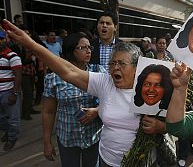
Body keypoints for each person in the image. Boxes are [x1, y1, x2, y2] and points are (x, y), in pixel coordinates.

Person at [4, 19, 165, 167]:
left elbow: (179, 122)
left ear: (137, 68)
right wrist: (30, 44)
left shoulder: (152, 88)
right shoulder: (105, 82)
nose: (115, 68)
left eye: (122, 63)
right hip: (106, 160)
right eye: (112, 63)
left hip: (141, 162)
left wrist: (161, 126)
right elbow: (68, 71)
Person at [42, 32, 104, 167]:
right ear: (70, 50)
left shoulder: (98, 72)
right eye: (82, 48)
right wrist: (47, 142)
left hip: (93, 135)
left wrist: (97, 111)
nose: (88, 51)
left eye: (89, 47)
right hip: (67, 137)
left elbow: (113, 99)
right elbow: (48, 112)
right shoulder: (54, 78)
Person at [0, 29, 22, 151]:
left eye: (1, 39)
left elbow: (18, 75)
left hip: (8, 92)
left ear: (6, 40)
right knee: (1, 118)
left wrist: (14, 93)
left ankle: (12, 137)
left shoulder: (12, 56)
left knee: (13, 119)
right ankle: (8, 132)